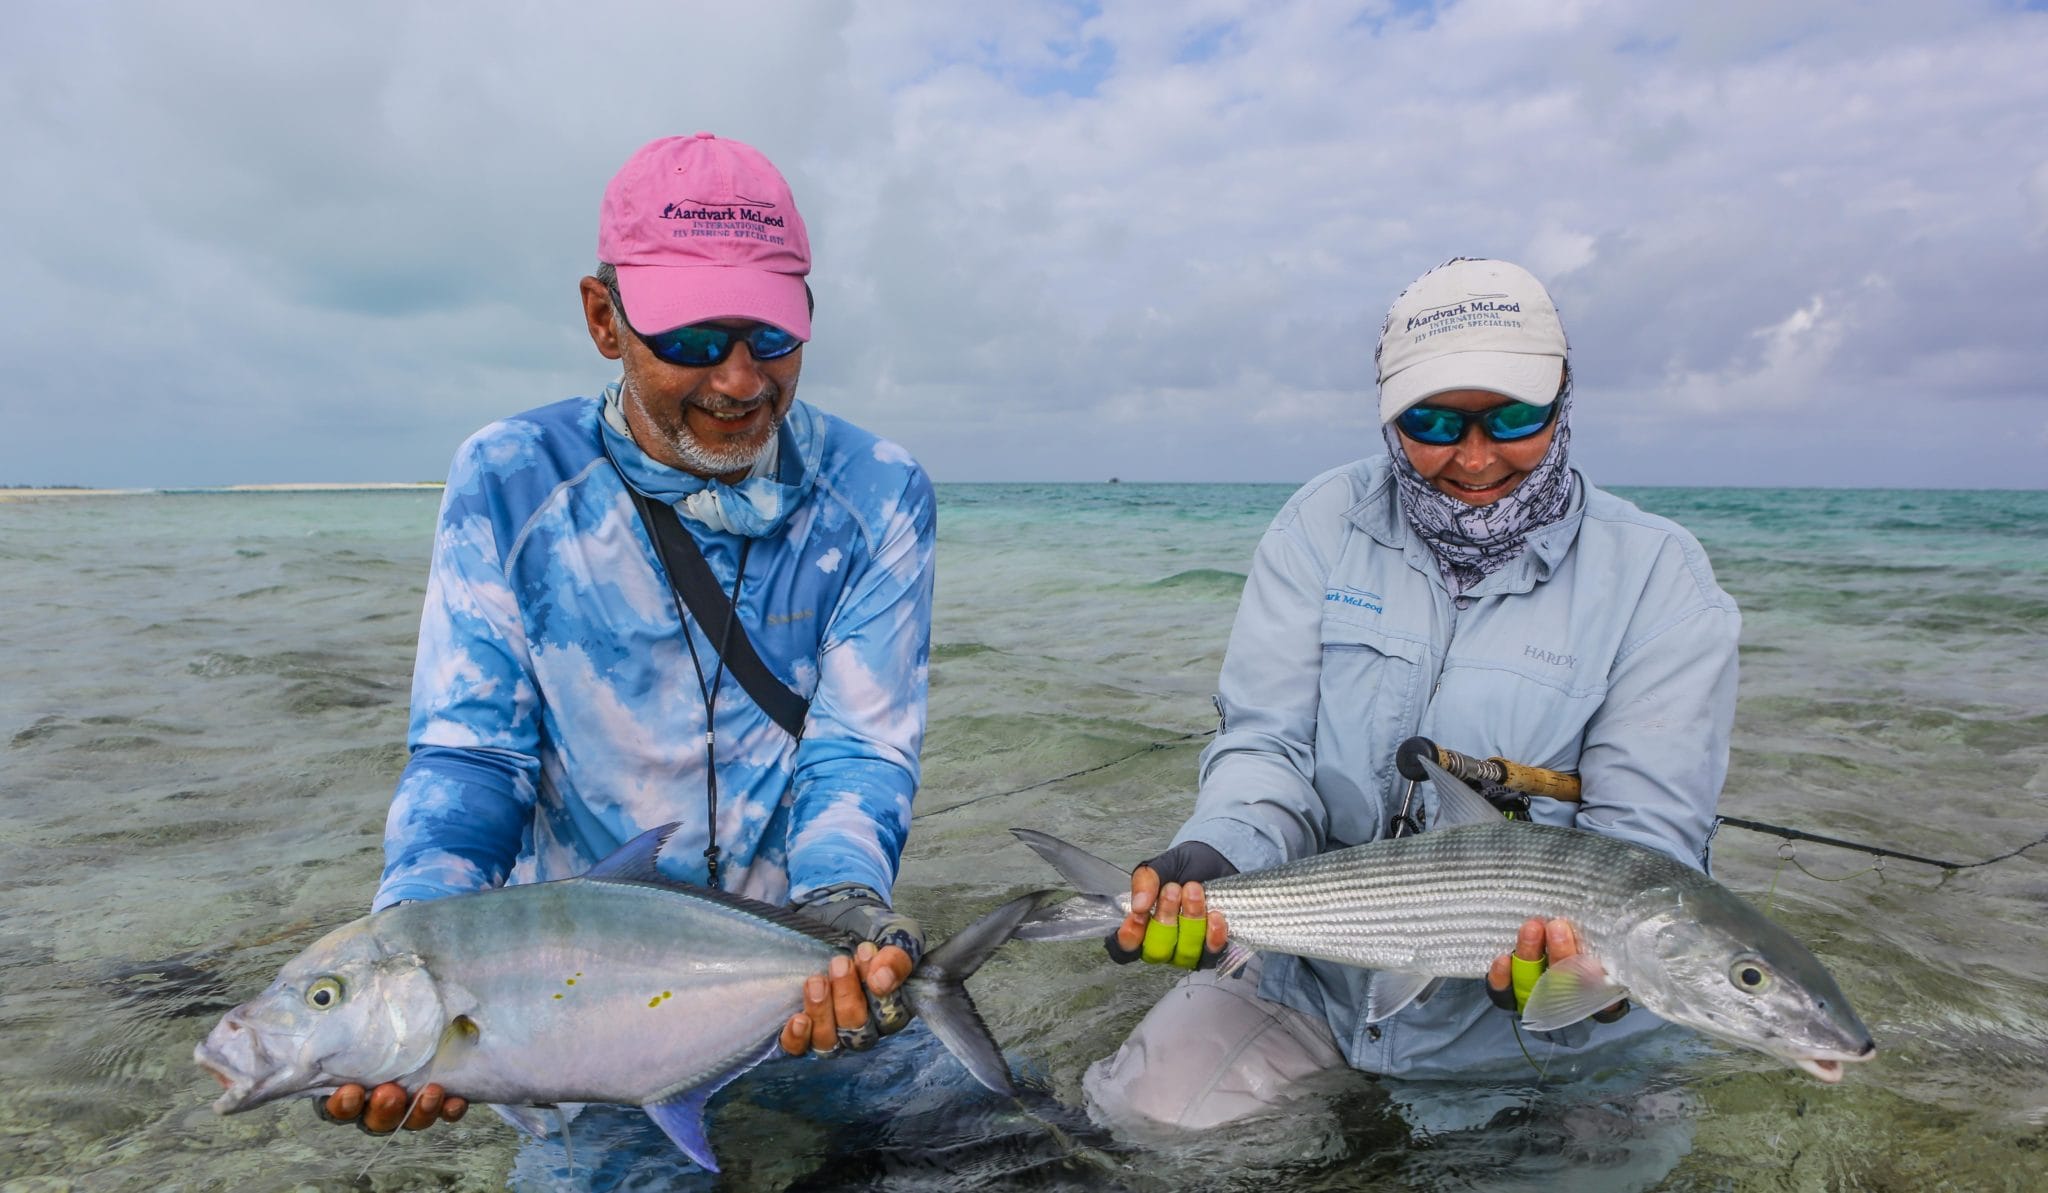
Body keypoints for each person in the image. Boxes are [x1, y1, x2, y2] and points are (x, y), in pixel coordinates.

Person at [321, 133, 937, 1135]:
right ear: (603, 319)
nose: (741, 382)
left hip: (805, 980)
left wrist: (844, 913)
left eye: (771, 337)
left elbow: (858, 748)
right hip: (575, 1023)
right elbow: (473, 759)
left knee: (1028, 1144)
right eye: (693, 341)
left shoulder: (876, 493)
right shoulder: (510, 478)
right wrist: (413, 958)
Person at [1085, 258, 1741, 1131]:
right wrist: (1219, 852)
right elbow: (1266, 745)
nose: (1475, 457)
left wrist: (1598, 985)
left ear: (1563, 397)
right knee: (1134, 1124)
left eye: (1513, 417)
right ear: (1390, 413)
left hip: (1549, 1043)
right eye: (1432, 421)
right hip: (1310, 983)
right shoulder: (1321, 524)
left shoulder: (1661, 579)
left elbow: (1649, 848)